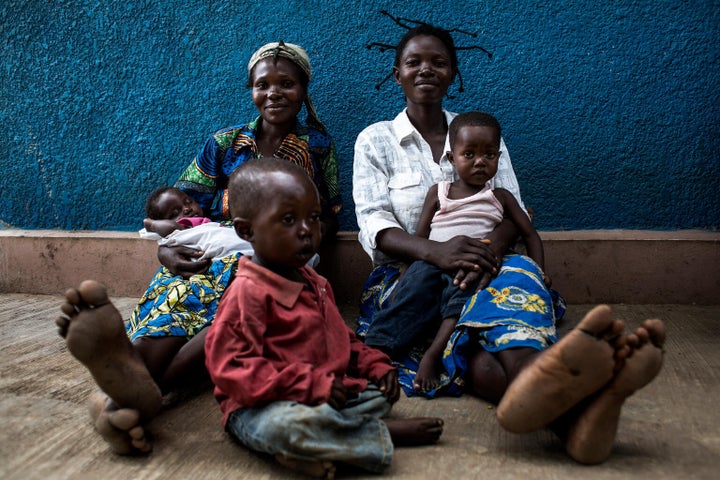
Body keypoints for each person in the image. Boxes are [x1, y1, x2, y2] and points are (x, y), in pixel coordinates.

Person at [353, 22, 666, 464]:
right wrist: (437, 252)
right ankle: (577, 413)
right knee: (463, 339)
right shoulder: (376, 140)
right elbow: (373, 222)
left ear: (453, 74)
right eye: (414, 62)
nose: (426, 70)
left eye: (439, 62)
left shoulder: (480, 133)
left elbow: (513, 210)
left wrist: (484, 249)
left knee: (497, 310)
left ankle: (568, 413)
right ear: (396, 72)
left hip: (487, 261)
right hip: (411, 274)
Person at [55, 41, 341, 455]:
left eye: (287, 84)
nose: (274, 93)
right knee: (181, 294)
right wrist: (165, 252)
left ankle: (133, 395)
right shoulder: (223, 144)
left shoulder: (318, 145)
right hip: (207, 251)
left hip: (275, 259)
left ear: (304, 89)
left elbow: (330, 214)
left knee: (236, 311)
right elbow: (178, 204)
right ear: (250, 89)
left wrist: (299, 248)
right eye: (263, 85)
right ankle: (130, 381)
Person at [204, 158, 443, 478]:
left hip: (322, 393)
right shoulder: (247, 293)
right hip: (262, 405)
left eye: (313, 218)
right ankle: (381, 435)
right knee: (285, 428)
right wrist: (308, 384)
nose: (306, 231)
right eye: (288, 220)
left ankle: (315, 448)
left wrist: (373, 363)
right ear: (247, 230)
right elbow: (231, 368)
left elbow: (340, 339)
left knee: (378, 394)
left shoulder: (313, 281)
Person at [365, 111, 552, 394]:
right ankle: (375, 349)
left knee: (461, 300)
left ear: (498, 159)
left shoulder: (500, 196)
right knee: (411, 297)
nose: (480, 162)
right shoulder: (438, 192)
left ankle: (434, 354)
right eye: (470, 155)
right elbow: (421, 236)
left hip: (474, 264)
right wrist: (409, 270)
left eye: (489, 155)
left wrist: (540, 273)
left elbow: (528, 233)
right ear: (452, 159)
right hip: (430, 261)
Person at [140, 186, 255, 262]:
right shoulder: (184, 228)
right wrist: (151, 224)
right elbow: (171, 228)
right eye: (174, 213)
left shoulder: (206, 224)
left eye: (188, 202)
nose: (186, 209)